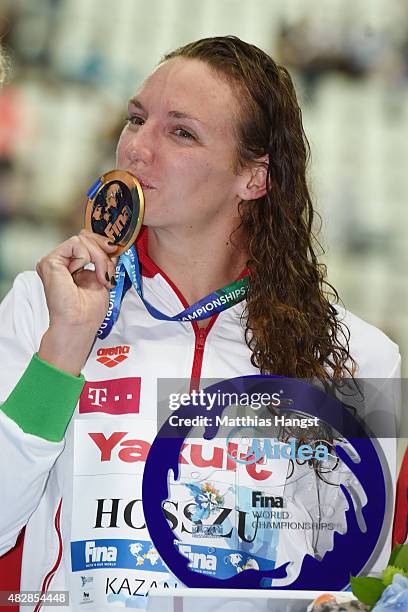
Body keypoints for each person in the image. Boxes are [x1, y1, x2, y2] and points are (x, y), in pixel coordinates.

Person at [0, 36, 400, 610]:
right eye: (136, 119)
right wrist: (63, 349)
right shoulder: (45, 303)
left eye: (180, 132)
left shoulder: (357, 355)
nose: (137, 147)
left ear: (254, 178)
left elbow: (354, 578)